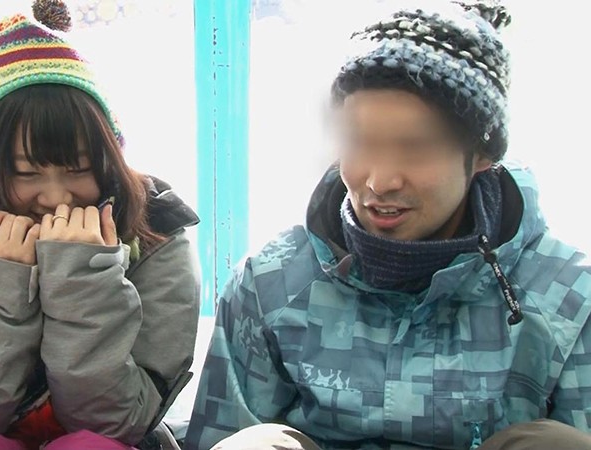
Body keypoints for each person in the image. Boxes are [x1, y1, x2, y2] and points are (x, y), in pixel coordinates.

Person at [185, 1, 591, 449]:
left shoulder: (569, 298)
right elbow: (220, 434)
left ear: (481, 154)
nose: (380, 181)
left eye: (414, 148)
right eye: (359, 142)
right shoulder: (270, 283)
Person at [0, 1, 200, 449]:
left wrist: (82, 279)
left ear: (110, 156)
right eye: (27, 173)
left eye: (79, 169)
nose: (56, 197)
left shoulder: (155, 233)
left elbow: (116, 425)